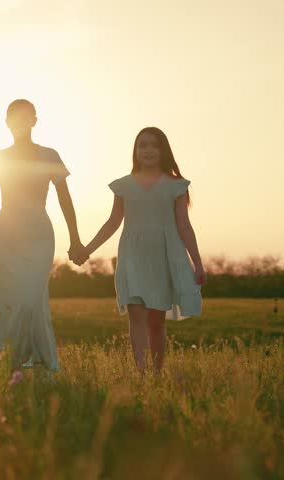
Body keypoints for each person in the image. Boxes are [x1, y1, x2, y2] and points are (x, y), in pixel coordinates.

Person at [0, 99, 85, 381]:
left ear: (35, 121)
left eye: (26, 117)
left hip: (38, 233)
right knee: (9, 301)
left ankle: (35, 363)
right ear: (7, 122)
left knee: (32, 301)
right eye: (14, 117)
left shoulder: (50, 155)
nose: (20, 122)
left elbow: (65, 198)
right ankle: (14, 368)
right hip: (7, 234)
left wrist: (76, 239)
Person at [81, 127, 205, 372]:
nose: (148, 150)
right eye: (142, 145)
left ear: (163, 150)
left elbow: (184, 226)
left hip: (163, 256)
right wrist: (87, 249)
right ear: (135, 151)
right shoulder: (123, 186)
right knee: (136, 314)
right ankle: (141, 373)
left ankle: (157, 373)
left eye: (154, 145)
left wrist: (197, 263)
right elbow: (113, 222)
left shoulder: (177, 186)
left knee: (156, 320)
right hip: (132, 256)